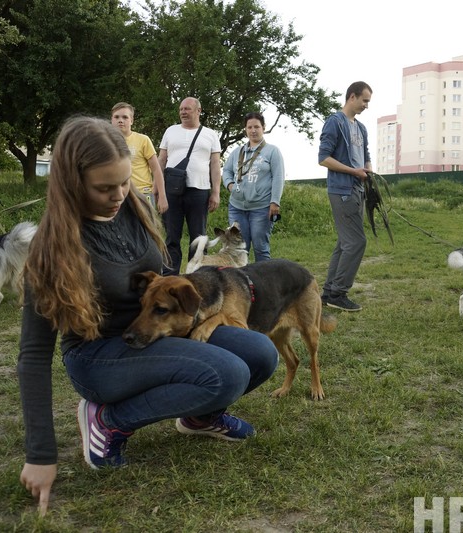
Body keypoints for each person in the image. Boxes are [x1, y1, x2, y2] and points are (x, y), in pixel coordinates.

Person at [17, 117, 277, 516]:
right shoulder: (50, 249)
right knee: (226, 374)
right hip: (98, 356)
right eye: (104, 188)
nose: (119, 194)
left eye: (123, 182)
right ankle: (109, 421)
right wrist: (40, 453)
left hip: (155, 335)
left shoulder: (134, 206)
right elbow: (34, 355)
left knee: (261, 353)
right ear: (71, 183)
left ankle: (199, 417)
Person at [318, 81, 373, 312]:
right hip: (341, 190)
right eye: (364, 100)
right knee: (356, 242)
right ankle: (339, 293)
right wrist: (353, 172)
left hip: (358, 190)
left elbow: (365, 153)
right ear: (352, 96)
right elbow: (323, 158)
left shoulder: (360, 128)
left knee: (345, 242)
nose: (366, 105)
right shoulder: (335, 122)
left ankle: (330, 291)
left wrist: (368, 171)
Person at [158, 97, 222, 275]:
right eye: (181, 109)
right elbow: (161, 160)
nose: (183, 112)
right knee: (171, 237)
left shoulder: (210, 134)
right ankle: (170, 277)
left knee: (198, 237)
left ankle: (198, 276)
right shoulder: (170, 131)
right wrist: (157, 188)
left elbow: (215, 165)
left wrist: (215, 192)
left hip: (199, 191)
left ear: (198, 111)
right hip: (172, 191)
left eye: (187, 109)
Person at [222, 112, 285, 261]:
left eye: (257, 126)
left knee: (260, 247)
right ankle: (243, 283)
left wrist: (275, 202)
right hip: (237, 208)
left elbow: (278, 177)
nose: (253, 130)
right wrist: (230, 185)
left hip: (261, 208)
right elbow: (226, 170)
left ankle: (265, 283)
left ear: (263, 128)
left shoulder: (272, 151)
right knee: (239, 249)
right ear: (245, 129)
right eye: (249, 127)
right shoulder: (237, 152)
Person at [111, 102, 168, 214]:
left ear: (131, 120)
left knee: (145, 229)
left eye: (125, 117)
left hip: (142, 193)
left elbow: (156, 169)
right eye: (116, 117)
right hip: (117, 194)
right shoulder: (106, 141)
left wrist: (162, 196)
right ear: (111, 120)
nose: (120, 120)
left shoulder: (143, 140)